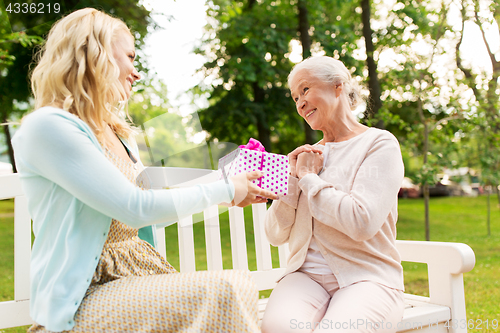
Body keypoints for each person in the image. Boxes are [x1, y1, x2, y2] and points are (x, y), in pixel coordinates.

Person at [12, 8, 277, 333]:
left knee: (238, 285)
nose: (136, 72)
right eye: (130, 57)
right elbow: (136, 209)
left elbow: (152, 211)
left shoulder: (117, 133)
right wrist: (225, 189)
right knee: (222, 290)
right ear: (95, 52)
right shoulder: (48, 127)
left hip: (136, 281)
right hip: (82, 300)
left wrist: (228, 193)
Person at [261, 56, 405, 333]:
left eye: (305, 90)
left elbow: (361, 222)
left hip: (367, 276)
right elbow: (275, 234)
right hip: (305, 277)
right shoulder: (305, 158)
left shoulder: (379, 144)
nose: (299, 103)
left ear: (338, 86)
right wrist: (292, 180)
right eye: (294, 98)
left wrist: (310, 180)